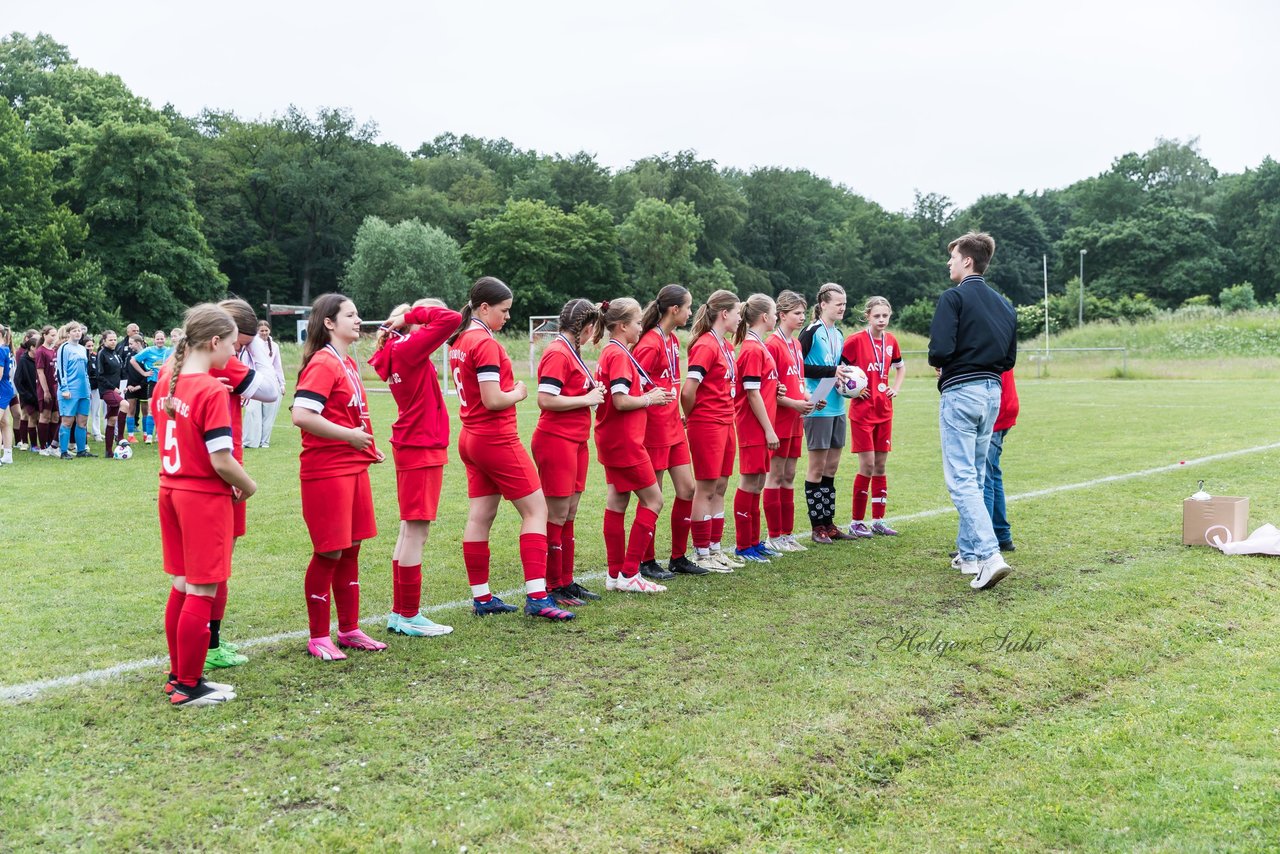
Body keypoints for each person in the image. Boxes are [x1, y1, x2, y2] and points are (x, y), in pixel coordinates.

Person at [446, 277, 574, 620]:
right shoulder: (483, 343)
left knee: (480, 517)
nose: (508, 317)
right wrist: (518, 392)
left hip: (470, 438)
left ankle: (482, 598)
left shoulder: (459, 339)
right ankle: (537, 596)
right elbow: (492, 399)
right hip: (494, 437)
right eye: (504, 311)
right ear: (484, 308)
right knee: (536, 511)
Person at [154, 303, 257, 707]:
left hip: (170, 491)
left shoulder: (167, 381)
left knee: (181, 584)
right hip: (201, 497)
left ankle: (178, 676)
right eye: (232, 345)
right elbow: (221, 459)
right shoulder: (211, 389)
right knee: (201, 589)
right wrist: (249, 487)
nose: (233, 354)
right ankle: (189, 686)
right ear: (214, 342)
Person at [291, 293, 390, 659]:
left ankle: (349, 629)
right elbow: (302, 415)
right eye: (350, 315)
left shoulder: (347, 362)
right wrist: (349, 437)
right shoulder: (323, 362)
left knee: (351, 549)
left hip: (351, 467)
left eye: (358, 314)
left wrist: (363, 446)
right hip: (326, 471)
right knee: (329, 551)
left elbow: (347, 416)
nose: (358, 320)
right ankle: (318, 636)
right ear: (329, 323)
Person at [928, 231, 1017, 591]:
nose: (949, 263)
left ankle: (989, 554)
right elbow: (1009, 357)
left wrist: (945, 362)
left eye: (953, 257)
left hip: (962, 392)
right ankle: (968, 555)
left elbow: (939, 350)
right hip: (992, 392)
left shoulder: (954, 298)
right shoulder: (1004, 305)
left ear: (967, 260)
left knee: (961, 478)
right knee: (976, 475)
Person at [368, 298, 461, 637]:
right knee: (416, 530)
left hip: (414, 443)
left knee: (409, 529)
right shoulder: (407, 346)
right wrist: (411, 315)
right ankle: (408, 614)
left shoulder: (399, 348)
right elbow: (450, 318)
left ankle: (399, 613)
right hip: (420, 445)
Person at [201, 298, 283, 670]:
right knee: (215, 566)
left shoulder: (183, 363)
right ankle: (209, 642)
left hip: (206, 467)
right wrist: (257, 349)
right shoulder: (224, 363)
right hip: (224, 470)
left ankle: (208, 638)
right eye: (239, 342)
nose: (240, 350)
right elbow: (270, 390)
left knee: (205, 566)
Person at [593, 297, 676, 593]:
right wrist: (648, 400)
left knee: (617, 501)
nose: (642, 327)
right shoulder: (617, 354)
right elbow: (620, 400)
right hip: (624, 441)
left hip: (613, 439)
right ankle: (630, 573)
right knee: (654, 500)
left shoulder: (613, 352)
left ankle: (615, 575)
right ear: (622, 325)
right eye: (638, 322)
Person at [531, 298, 606, 607]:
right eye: (593, 331)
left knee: (569, 512)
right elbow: (545, 400)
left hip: (575, 440)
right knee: (557, 513)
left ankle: (565, 581)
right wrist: (587, 398)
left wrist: (587, 396)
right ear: (586, 328)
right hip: (556, 440)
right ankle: (552, 584)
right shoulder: (557, 352)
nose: (592, 337)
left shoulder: (570, 351)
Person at [632, 284, 706, 578]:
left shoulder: (673, 340)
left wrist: (676, 411)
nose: (690, 312)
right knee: (655, 495)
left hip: (673, 425)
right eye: (688, 307)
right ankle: (646, 561)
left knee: (687, 489)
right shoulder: (649, 342)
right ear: (674, 310)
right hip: (654, 429)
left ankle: (678, 556)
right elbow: (635, 384)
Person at [680, 289, 745, 573]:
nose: (741, 317)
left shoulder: (727, 346)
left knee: (720, 486)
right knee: (705, 488)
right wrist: (695, 416)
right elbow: (688, 390)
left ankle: (715, 549)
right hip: (707, 424)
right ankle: (701, 551)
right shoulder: (706, 346)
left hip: (726, 422)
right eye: (738, 312)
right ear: (725, 313)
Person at [842, 296, 906, 537]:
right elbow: (840, 372)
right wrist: (852, 389)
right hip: (862, 413)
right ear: (867, 316)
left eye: (885, 316)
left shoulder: (891, 341)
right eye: (876, 316)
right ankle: (856, 521)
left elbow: (900, 367)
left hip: (884, 411)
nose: (881, 320)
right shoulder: (855, 341)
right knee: (867, 465)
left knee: (880, 466)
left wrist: (896, 388)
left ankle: (878, 520)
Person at [800, 283, 858, 543]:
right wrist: (830, 373)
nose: (842, 307)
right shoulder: (811, 331)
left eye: (844, 303)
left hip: (837, 406)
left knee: (831, 467)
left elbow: (837, 366)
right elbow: (797, 366)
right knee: (816, 467)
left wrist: (847, 376)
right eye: (838, 303)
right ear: (823, 304)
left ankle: (829, 523)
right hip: (817, 406)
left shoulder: (839, 334)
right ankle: (817, 527)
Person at [763, 291, 817, 552]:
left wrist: (810, 399)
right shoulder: (771, 344)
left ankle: (787, 533)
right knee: (775, 474)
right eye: (796, 313)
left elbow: (799, 382)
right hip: (779, 419)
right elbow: (769, 391)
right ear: (781, 315)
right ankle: (774, 535)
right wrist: (794, 404)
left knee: (790, 474)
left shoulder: (795, 344)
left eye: (803, 313)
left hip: (796, 419)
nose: (801, 318)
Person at [732, 294, 782, 563]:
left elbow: (762, 386)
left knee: (759, 481)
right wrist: (769, 430)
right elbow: (752, 394)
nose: (776, 316)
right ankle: (743, 545)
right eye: (775, 312)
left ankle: (754, 541)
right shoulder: (751, 348)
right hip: (754, 427)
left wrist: (777, 388)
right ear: (765, 317)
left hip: (763, 426)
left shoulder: (759, 346)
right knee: (750, 481)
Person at [985, 369, 1019, 552]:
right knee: (992, 472)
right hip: (1005, 403)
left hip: (996, 406)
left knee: (984, 477)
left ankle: (984, 541)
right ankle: (1002, 535)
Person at [243, 321, 285, 449]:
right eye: (261, 331)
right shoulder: (249, 346)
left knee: (269, 415)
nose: (264, 333)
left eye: (266, 330)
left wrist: (282, 384)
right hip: (255, 382)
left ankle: (264, 441)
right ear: (257, 332)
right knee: (252, 412)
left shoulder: (274, 346)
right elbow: (246, 364)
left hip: (272, 383)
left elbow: (277, 367)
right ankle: (250, 441)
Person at [55, 321, 94, 459]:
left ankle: (81, 450)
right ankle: (64, 451)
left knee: (82, 421)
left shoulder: (83, 349)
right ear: (68, 333)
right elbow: (60, 370)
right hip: (69, 390)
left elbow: (85, 371)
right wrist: (64, 388)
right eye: (74, 330)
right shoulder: (64, 348)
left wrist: (88, 388)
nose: (78, 333)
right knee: (67, 421)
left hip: (83, 391)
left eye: (79, 330)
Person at [131, 330, 170, 443]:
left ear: (165, 339)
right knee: (151, 409)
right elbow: (133, 361)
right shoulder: (148, 351)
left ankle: (159, 434)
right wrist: (144, 373)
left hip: (165, 383)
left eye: (162, 338)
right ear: (154, 340)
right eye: (157, 338)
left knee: (164, 409)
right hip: (153, 383)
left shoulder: (168, 352)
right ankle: (149, 436)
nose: (160, 340)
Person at [95, 330, 128, 459]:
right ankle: (120, 437)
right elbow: (100, 375)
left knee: (112, 419)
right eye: (110, 340)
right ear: (104, 341)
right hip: (107, 390)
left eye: (115, 339)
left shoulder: (115, 354)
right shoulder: (102, 354)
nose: (113, 342)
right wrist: (113, 388)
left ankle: (108, 451)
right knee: (125, 405)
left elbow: (120, 372)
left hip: (116, 389)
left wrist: (123, 387)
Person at [34, 325, 58, 454]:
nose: (54, 337)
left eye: (55, 335)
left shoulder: (54, 350)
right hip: (46, 389)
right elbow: (40, 372)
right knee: (45, 416)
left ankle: (52, 446)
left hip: (56, 388)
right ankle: (43, 447)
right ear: (44, 335)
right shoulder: (40, 351)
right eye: (52, 335)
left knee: (55, 417)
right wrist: (46, 391)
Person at [14, 331, 39, 453]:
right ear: (32, 347)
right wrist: (25, 395)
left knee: (36, 417)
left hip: (37, 393)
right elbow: (17, 380)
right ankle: (26, 443)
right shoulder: (23, 360)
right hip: (26, 394)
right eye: (37, 347)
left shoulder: (39, 359)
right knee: (27, 416)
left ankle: (35, 443)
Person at [0, 326, 13, 465]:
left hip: (1, 389)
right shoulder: (5, 348)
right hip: (5, 388)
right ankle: (8, 455)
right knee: (4, 422)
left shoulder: (0, 350)